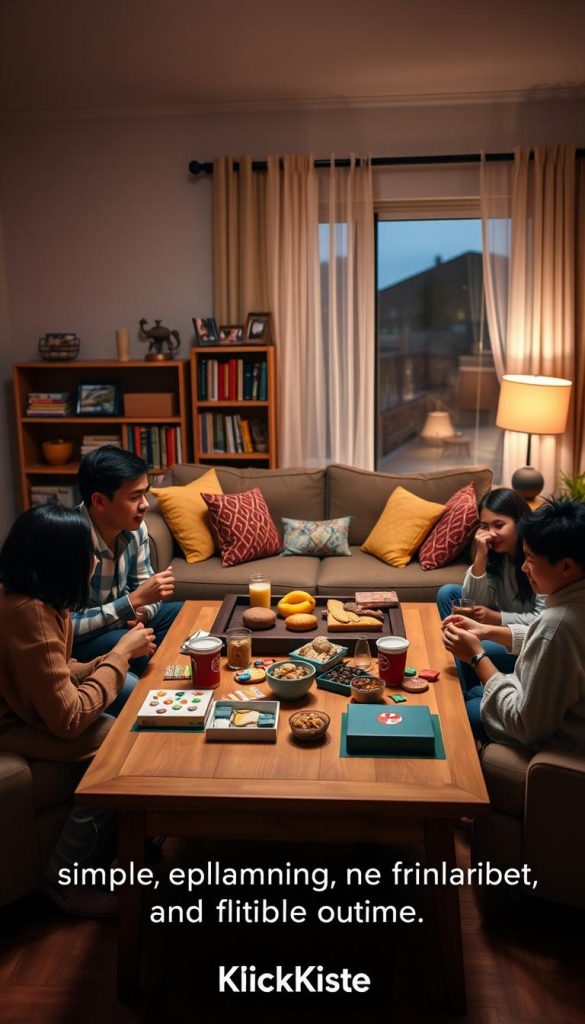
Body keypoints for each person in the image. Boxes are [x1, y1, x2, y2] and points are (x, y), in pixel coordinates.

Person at [0, 504, 156, 915]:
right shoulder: (30, 614)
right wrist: (118, 655)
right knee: (115, 741)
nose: (94, 561)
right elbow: (69, 719)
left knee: (130, 690)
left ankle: (134, 835)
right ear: (64, 560)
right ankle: (62, 880)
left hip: (26, 705)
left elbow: (56, 669)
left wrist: (107, 662)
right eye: (87, 552)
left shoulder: (46, 600)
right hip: (9, 724)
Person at [442, 498, 585, 751]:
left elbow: (524, 726)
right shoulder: (570, 606)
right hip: (543, 711)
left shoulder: (557, 624)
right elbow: (544, 639)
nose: (524, 567)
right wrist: (487, 631)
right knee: (473, 693)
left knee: (457, 710)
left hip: (556, 738)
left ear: (565, 566)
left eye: (530, 559)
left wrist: (476, 656)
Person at [72, 445, 183, 674]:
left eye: (145, 493)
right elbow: (66, 628)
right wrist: (132, 602)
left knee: (184, 615)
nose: (145, 504)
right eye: (134, 497)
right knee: (133, 647)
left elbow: (145, 590)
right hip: (81, 642)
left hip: (123, 623)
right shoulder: (68, 539)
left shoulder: (136, 528)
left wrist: (142, 611)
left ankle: (165, 679)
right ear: (100, 501)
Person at [437, 488, 545, 698]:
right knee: (448, 593)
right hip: (500, 626)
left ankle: (470, 692)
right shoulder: (496, 553)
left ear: (520, 522)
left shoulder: (536, 559)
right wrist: (481, 555)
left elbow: (543, 621)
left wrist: (497, 618)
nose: (491, 533)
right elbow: (473, 600)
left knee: (479, 645)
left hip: (524, 641)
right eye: (484, 526)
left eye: (499, 525)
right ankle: (468, 684)